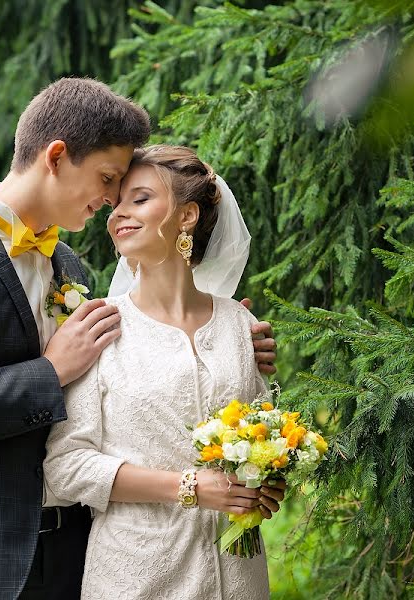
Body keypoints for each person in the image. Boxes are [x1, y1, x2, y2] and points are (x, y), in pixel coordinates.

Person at [0, 79, 277, 600]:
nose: (112, 201)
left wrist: (217, 343)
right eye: (108, 179)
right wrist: (50, 372)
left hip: (71, 551)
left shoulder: (69, 266)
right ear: (57, 156)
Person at [42, 145, 283, 600]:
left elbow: (264, 435)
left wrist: (265, 482)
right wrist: (190, 487)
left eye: (140, 199)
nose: (118, 216)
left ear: (187, 215)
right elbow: (66, 466)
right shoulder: (98, 326)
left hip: (240, 576)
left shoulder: (241, 326)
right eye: (116, 205)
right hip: (136, 575)